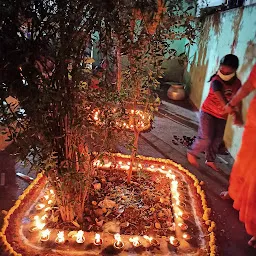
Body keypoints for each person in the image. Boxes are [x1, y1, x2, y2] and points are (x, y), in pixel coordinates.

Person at [220, 64, 256, 247]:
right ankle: (235, 194)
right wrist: (231, 104)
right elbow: (248, 86)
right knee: (242, 163)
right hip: (254, 126)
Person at [187, 54, 242, 171]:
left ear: (234, 70)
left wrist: (238, 114)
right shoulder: (216, 80)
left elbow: (238, 98)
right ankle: (192, 152)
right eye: (222, 68)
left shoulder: (237, 83)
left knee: (217, 140)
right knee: (206, 138)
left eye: (227, 70)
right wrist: (226, 106)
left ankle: (210, 160)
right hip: (208, 113)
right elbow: (218, 94)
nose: (223, 72)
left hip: (222, 116)